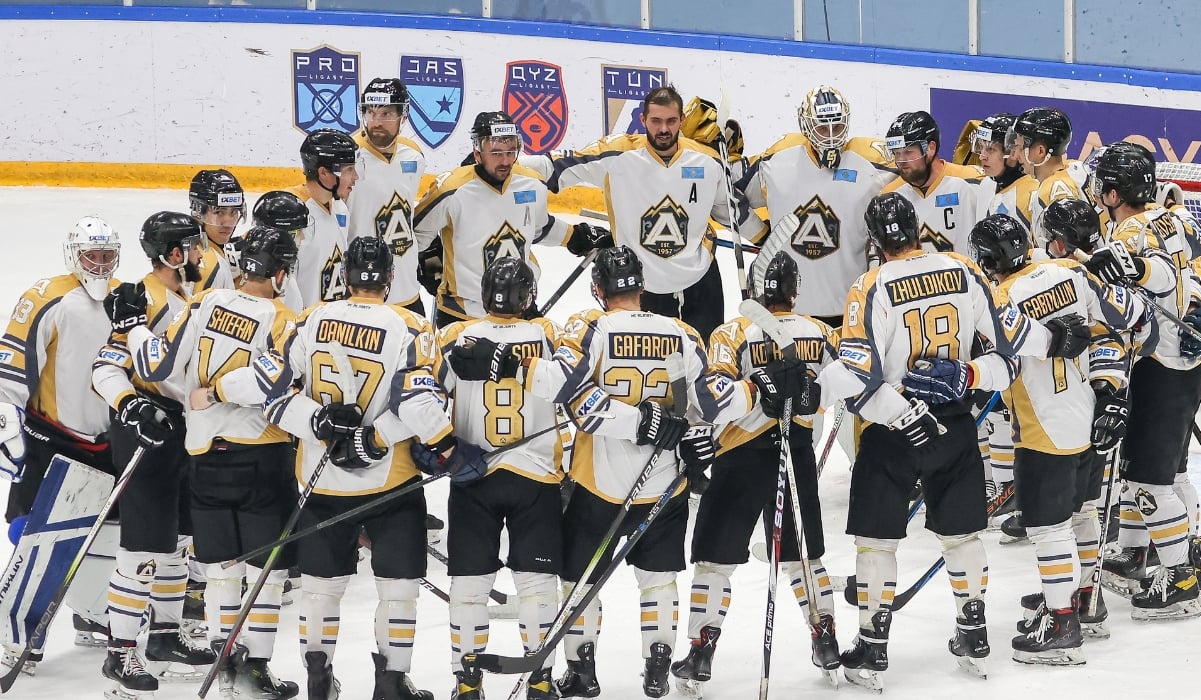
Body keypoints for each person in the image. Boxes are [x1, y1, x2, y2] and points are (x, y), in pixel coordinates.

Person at [455, 246, 766, 698]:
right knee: (658, 580)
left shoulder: (590, 326)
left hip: (597, 484)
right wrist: (753, 391)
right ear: (642, 286)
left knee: (579, 580)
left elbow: (566, 388)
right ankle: (658, 666)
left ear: (598, 289)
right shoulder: (681, 332)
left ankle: (582, 672)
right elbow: (711, 404)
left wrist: (514, 364)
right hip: (663, 482)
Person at [813, 193, 1091, 691]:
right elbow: (1009, 355)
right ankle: (973, 633)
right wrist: (982, 368)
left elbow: (857, 376)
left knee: (877, 541)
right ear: (918, 228)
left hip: (893, 430)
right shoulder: (963, 268)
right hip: (956, 426)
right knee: (962, 537)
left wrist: (817, 390)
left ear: (874, 240)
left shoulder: (869, 284)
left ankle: (873, 646)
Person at [240, 235, 447, 700]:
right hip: (391, 484)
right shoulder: (412, 326)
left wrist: (317, 422)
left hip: (321, 482)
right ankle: (392, 683)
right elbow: (420, 406)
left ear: (345, 277)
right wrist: (376, 439)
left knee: (320, 589)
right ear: (390, 278)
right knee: (398, 589)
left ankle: (318, 678)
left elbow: (270, 396)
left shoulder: (309, 319)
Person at [126, 225, 302, 699]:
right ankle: (254, 670)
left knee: (221, 569)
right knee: (266, 572)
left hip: (203, 459)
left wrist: (134, 328)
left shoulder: (204, 302)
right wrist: (220, 391)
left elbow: (156, 365)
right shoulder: (285, 319)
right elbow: (270, 380)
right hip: (261, 458)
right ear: (280, 274)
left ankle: (227, 669)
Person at [967, 211, 1141, 664]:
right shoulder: (1070, 272)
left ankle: (1062, 623)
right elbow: (1123, 323)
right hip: (1088, 416)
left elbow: (1006, 351)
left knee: (1049, 530)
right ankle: (1086, 600)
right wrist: (1112, 391)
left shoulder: (999, 298)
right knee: (1082, 514)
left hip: (1043, 429)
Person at [671, 252, 835, 694]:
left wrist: (754, 386)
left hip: (740, 457)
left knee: (714, 559)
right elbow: (856, 377)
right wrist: (812, 391)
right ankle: (826, 639)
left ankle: (702, 648)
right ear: (796, 290)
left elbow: (714, 396)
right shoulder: (820, 332)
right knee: (804, 557)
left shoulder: (732, 332)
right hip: (795, 452)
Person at [520, 85, 764, 340]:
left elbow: (731, 211)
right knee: (649, 362)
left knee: (704, 358)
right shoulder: (618, 155)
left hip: (701, 283)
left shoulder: (708, 160)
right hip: (641, 286)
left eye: (671, 121)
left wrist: (764, 239)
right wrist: (501, 163)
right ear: (643, 119)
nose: (663, 129)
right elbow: (551, 167)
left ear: (682, 120)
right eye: (656, 121)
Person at [91, 212, 217, 693]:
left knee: (180, 540)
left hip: (186, 430)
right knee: (142, 548)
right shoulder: (141, 299)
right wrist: (131, 405)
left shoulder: (190, 298)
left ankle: (165, 637)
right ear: (174, 254)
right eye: (194, 246)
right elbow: (106, 368)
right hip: (146, 431)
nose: (202, 254)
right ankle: (119, 652)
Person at [434, 257, 565, 700]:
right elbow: (571, 385)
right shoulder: (547, 333)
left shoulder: (456, 335)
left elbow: (423, 395)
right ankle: (541, 680)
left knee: (469, 588)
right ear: (528, 297)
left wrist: (438, 446)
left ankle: (467, 682)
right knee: (537, 586)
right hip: (537, 477)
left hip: (473, 475)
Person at [1081, 144, 1201, 620]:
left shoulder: (1130, 230)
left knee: (1147, 481)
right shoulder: (1178, 217)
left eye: (1102, 185)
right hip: (1185, 358)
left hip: (1157, 364)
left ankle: (1180, 578)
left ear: (1114, 193)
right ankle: (1136, 551)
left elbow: (1159, 274)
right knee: (1165, 472)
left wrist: (1134, 268)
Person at [0, 216, 122, 667]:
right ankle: (19, 630)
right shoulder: (46, 297)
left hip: (106, 440)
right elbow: (12, 366)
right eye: (92, 255)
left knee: (103, 534)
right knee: (31, 534)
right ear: (74, 255)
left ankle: (89, 611)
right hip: (49, 437)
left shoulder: (125, 298)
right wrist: (7, 426)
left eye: (108, 255)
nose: (100, 264)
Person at [413, 111, 602, 327]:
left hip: (518, 308)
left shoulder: (532, 184)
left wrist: (575, 236)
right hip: (463, 315)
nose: (505, 161)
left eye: (510, 152)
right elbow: (415, 237)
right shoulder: (451, 191)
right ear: (477, 152)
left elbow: (537, 229)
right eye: (496, 153)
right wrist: (427, 262)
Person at [736, 85, 897, 326]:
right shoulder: (778, 159)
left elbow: (921, 178)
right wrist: (760, 235)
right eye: (822, 128)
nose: (831, 136)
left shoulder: (872, 162)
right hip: (788, 310)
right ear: (806, 126)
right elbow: (729, 194)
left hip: (850, 307)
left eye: (838, 127)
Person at [347, 77, 428, 314]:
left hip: (407, 288)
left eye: (386, 114)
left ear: (404, 116)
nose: (376, 122)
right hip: (362, 289)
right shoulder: (347, 157)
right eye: (371, 112)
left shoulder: (413, 155)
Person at [880, 110, 984, 253]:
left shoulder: (973, 182)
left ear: (930, 148)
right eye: (896, 153)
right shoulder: (890, 196)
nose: (901, 160)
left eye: (908, 152)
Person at [296, 128, 361, 308]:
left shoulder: (340, 209)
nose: (355, 177)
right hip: (301, 322)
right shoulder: (291, 213)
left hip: (331, 321)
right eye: (349, 170)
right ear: (324, 172)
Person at [1006, 107, 1085, 241]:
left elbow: (1067, 250)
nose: (1016, 155)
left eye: (1020, 147)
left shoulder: (1052, 191)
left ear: (1040, 151)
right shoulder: (1076, 168)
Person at [190, 168, 248, 291]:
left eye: (234, 212)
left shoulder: (199, 248)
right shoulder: (205, 265)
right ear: (198, 213)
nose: (228, 223)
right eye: (219, 212)